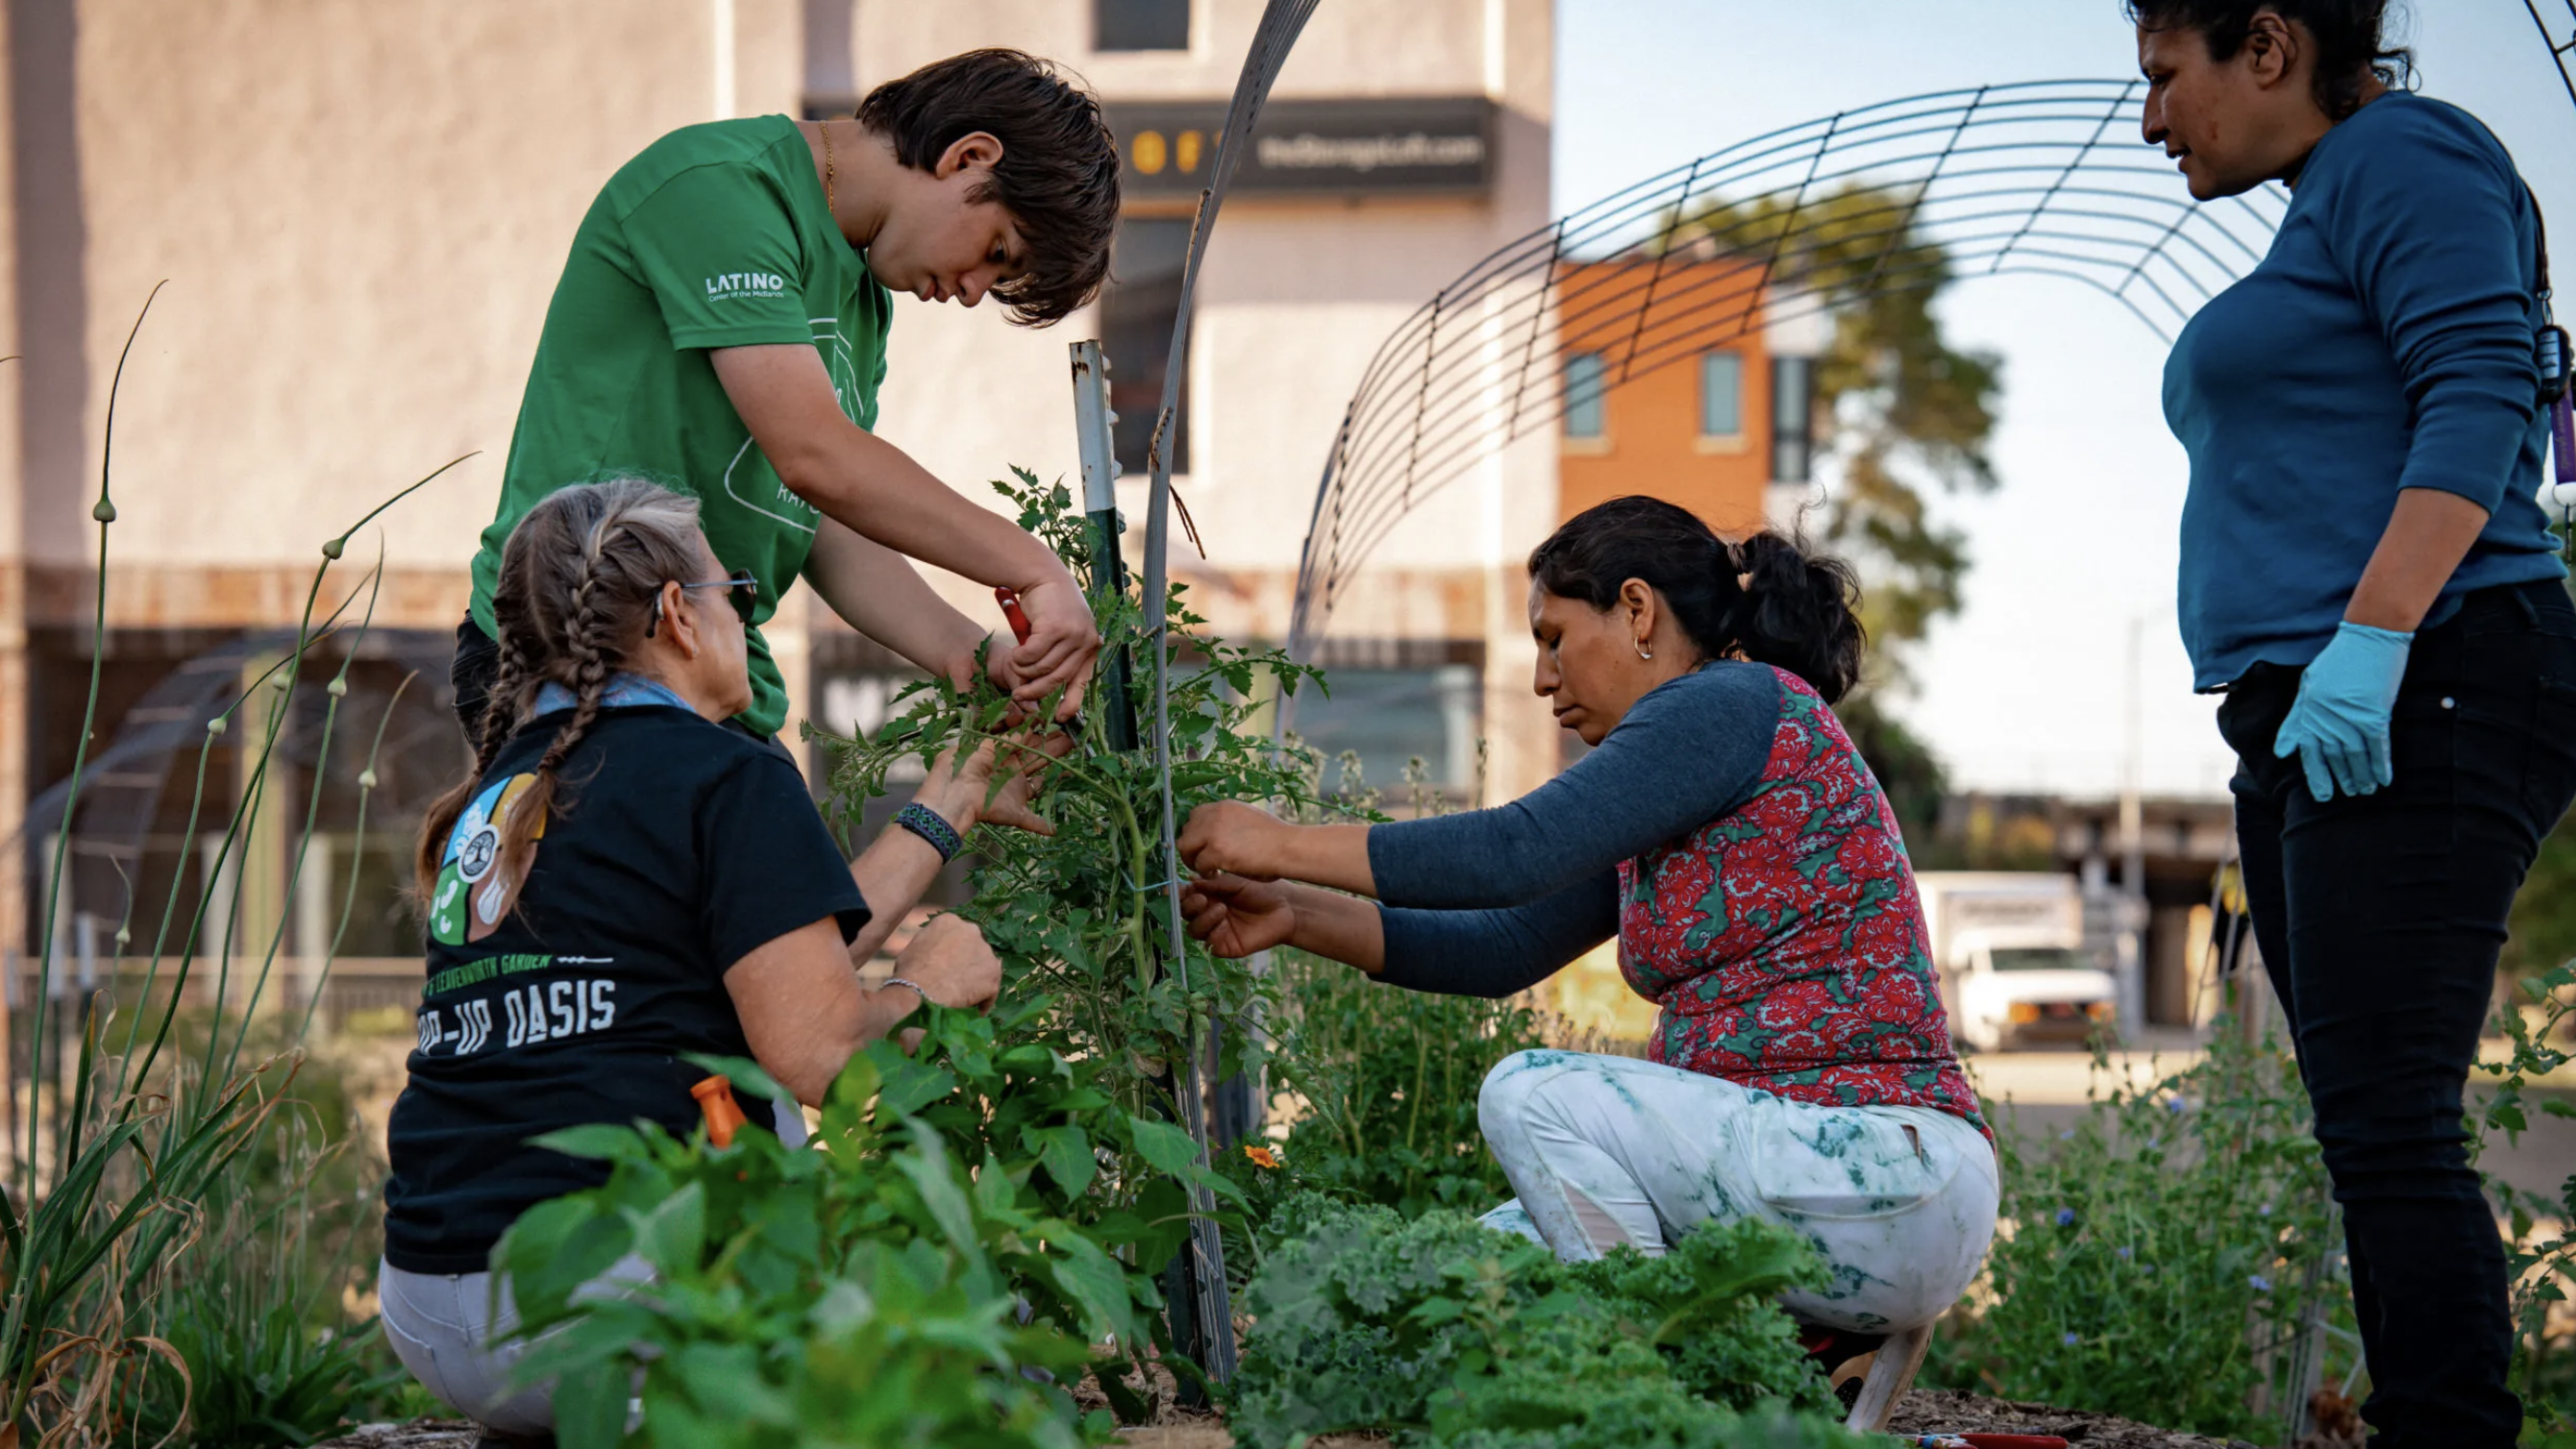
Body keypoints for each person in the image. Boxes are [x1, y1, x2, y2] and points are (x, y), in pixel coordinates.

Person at [1176, 496, 1998, 1339]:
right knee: (1446, 1296)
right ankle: (1791, 1370)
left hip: (1882, 1176)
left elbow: (1513, 852)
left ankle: (1653, 1377)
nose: (1541, 679)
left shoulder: (1729, 703)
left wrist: (1275, 842)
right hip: (1799, 1193)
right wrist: (1291, 911)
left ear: (1637, 610)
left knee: (1534, 1093)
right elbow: (1507, 945)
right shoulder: (1677, 782)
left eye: (1554, 637)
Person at [381, 479, 1059, 1442]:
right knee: (984, 1338)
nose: (748, 616)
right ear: (674, 614)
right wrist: (931, 983)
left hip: (434, 1305)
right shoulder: (726, 770)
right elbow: (822, 1051)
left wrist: (940, 816)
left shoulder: (499, 795)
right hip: (609, 1311)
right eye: (737, 591)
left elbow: (762, 959)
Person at [2134, 2, 2576, 1442]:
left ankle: (2446, 1431)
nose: (2150, 122)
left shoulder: (2407, 153)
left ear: (2267, 45)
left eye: (2163, 78)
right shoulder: (2327, 205)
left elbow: (2481, 390)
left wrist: (2373, 640)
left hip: (2429, 668)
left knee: (2388, 1111)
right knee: (2364, 1116)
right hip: (2330, 699)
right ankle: (2417, 1417)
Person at [454, 48, 1116, 749]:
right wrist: (1034, 566)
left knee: (809, 862)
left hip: (711, 672)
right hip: (576, 652)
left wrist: (978, 661)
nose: (972, 290)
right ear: (969, 156)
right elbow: (814, 456)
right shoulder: (721, 187)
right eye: (998, 252)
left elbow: (824, 519)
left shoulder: (862, 298)